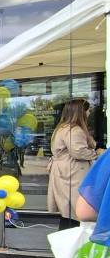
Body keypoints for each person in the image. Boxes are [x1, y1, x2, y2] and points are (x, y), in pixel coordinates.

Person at [48, 99, 101, 231]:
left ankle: (66, 240)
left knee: (67, 213)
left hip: (64, 172)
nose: (89, 113)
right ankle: (71, 241)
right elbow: (78, 152)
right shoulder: (74, 130)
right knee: (75, 210)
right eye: (87, 110)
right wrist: (96, 153)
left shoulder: (62, 128)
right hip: (73, 172)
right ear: (80, 112)